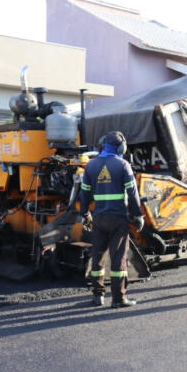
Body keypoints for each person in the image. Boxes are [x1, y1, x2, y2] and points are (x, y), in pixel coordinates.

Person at [80, 131, 144, 308]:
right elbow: (133, 194)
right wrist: (138, 215)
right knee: (118, 259)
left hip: (98, 219)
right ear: (121, 147)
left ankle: (97, 296)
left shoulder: (91, 166)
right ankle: (119, 298)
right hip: (118, 219)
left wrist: (84, 213)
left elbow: (84, 193)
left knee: (97, 258)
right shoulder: (123, 165)